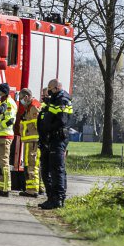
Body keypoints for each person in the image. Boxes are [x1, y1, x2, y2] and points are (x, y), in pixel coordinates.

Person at [36, 79, 74, 209]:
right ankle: (52, 198)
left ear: (57, 88)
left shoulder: (62, 100)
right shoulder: (54, 100)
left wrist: (49, 128)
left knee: (57, 170)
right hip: (51, 138)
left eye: (50, 89)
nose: (49, 92)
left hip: (58, 137)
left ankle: (58, 199)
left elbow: (61, 121)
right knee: (49, 169)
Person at [0, 83, 16, 196]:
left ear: (4, 92)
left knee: (3, 162)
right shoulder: (2, 103)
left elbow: (9, 121)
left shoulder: (9, 104)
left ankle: (5, 188)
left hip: (5, 136)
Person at [16, 88, 42, 197]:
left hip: (33, 141)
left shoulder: (33, 108)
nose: (21, 101)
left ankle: (32, 190)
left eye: (21, 99)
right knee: (32, 164)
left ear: (26, 97)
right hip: (31, 140)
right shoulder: (30, 107)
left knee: (32, 165)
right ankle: (37, 188)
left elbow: (38, 125)